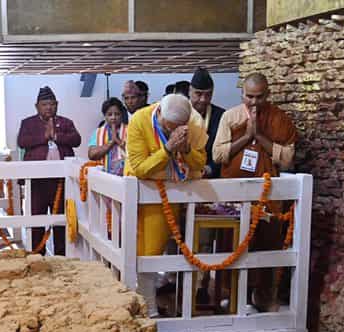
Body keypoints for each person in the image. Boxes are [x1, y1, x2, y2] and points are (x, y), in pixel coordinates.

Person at [213, 73, 298, 312]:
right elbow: (218, 155)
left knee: (267, 243)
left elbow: (288, 160)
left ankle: (261, 296)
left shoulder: (279, 119)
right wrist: (246, 137)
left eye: (259, 97)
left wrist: (259, 135)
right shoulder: (231, 117)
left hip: (268, 197)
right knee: (232, 245)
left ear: (267, 95)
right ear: (242, 94)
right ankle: (231, 295)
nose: (254, 102)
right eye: (249, 96)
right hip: (234, 197)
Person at [126, 93, 207, 317]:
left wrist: (187, 150)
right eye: (168, 126)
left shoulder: (194, 123)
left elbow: (201, 163)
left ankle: (173, 304)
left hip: (180, 192)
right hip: (146, 193)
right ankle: (148, 309)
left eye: (176, 127)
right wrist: (168, 148)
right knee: (147, 252)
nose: (172, 130)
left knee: (180, 251)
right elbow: (140, 168)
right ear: (159, 111)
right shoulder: (139, 120)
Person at [16, 86, 81, 256]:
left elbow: (76, 140)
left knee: (60, 219)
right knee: (36, 219)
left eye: (52, 104)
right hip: (37, 181)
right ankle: (37, 255)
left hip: (61, 181)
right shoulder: (28, 123)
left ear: (57, 105)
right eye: (45, 104)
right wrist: (44, 137)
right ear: (37, 106)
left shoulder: (65, 122)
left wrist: (56, 136)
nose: (49, 108)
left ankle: (61, 256)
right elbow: (22, 141)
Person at [189, 68, 225, 178]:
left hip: (212, 175)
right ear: (189, 91)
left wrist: (209, 169)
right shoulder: (179, 113)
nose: (203, 99)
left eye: (208, 95)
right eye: (198, 94)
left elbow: (225, 150)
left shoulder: (221, 116)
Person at [88, 98, 128, 175]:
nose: (113, 117)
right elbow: (92, 155)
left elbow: (134, 153)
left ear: (122, 115)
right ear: (105, 116)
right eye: (109, 114)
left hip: (125, 175)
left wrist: (118, 140)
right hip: (103, 176)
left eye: (117, 114)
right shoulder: (98, 132)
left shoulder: (130, 130)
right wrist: (111, 142)